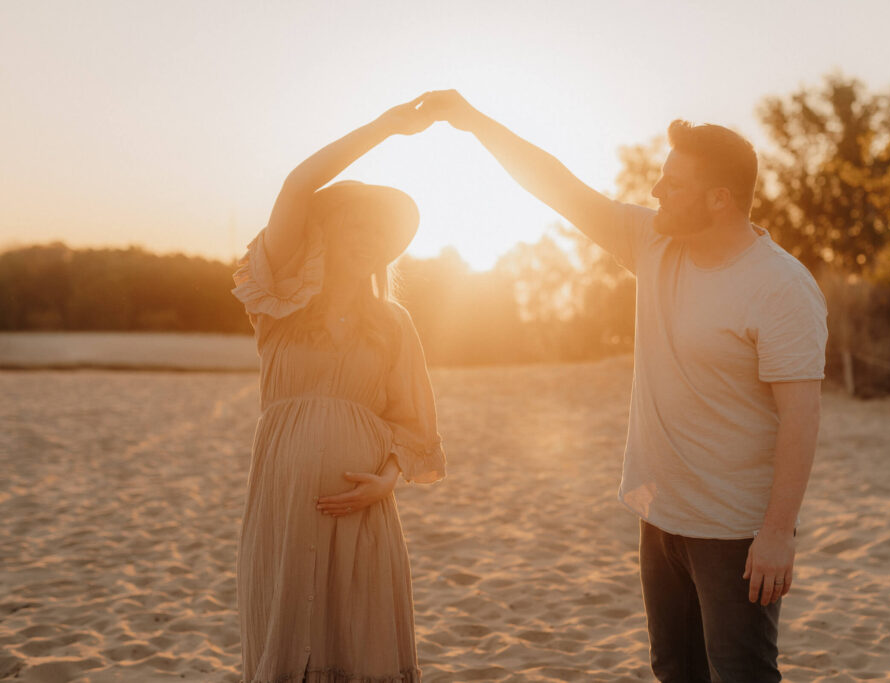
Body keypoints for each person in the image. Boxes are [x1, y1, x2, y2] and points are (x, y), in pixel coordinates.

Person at [419, 90, 827, 682]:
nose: (656, 191)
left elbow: (801, 415)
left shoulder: (781, 287)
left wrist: (777, 533)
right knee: (674, 670)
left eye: (673, 183)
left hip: (734, 531)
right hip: (659, 514)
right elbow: (555, 185)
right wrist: (472, 119)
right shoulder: (654, 241)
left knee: (742, 673)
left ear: (720, 199)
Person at [230, 95, 446, 683]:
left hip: (364, 509)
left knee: (357, 645)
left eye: (381, 231)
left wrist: (387, 481)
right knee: (290, 639)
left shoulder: (393, 323)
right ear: (323, 230)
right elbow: (298, 186)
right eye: (358, 223)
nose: (370, 237)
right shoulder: (279, 304)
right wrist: (385, 127)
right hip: (285, 501)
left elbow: (415, 425)